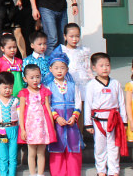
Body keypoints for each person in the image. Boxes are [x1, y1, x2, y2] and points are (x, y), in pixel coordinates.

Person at [84, 52, 128, 176]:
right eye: (101, 66)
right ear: (94, 68)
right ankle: (101, 170)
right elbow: (88, 104)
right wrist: (88, 124)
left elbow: (121, 103)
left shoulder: (115, 83)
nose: (105, 68)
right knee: (100, 147)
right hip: (98, 120)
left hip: (114, 120)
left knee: (114, 146)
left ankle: (114, 171)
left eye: (107, 65)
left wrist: (124, 121)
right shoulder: (91, 85)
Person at [48, 48, 84, 176]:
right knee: (57, 150)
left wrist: (74, 116)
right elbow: (48, 104)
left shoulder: (73, 86)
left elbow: (78, 102)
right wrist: (56, 117)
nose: (59, 71)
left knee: (73, 148)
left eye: (62, 68)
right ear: (50, 69)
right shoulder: (49, 87)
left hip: (71, 122)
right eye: (56, 68)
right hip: (57, 124)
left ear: (67, 69)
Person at [18, 63, 57, 176]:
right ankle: (32, 173)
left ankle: (40, 173)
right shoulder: (24, 93)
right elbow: (21, 113)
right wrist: (23, 130)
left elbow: (48, 110)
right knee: (31, 152)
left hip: (42, 127)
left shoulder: (44, 91)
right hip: (30, 127)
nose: (35, 80)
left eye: (37, 77)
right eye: (32, 77)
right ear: (25, 79)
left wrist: (52, 128)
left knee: (41, 152)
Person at [0, 71, 19, 176]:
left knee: (13, 156)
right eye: (5, 87)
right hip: (0, 129)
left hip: (14, 129)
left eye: (10, 87)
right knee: (3, 157)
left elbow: (19, 115)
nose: (8, 90)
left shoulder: (15, 100)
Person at [61, 23, 93, 99]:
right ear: (65, 36)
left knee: (83, 99)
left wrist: (91, 78)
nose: (74, 39)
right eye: (71, 36)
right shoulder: (62, 51)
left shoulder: (83, 50)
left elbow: (87, 66)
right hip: (68, 79)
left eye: (77, 36)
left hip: (82, 79)